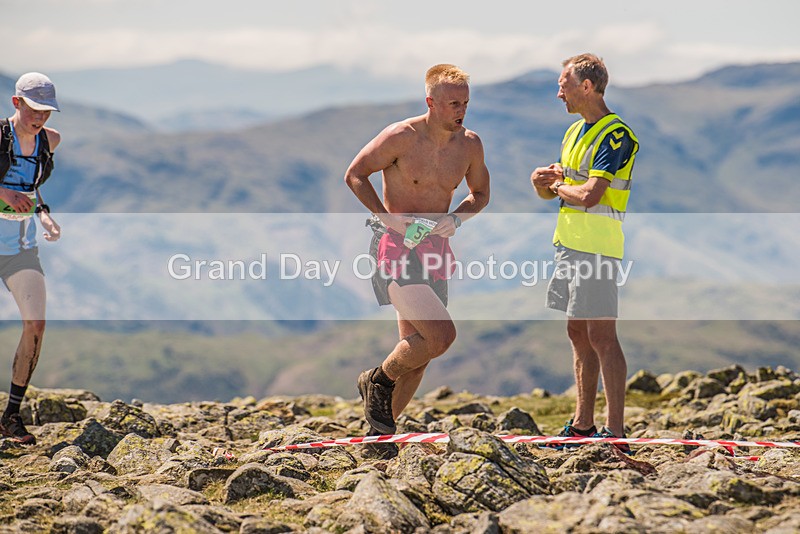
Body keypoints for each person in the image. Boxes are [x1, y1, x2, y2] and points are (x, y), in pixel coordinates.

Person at [345, 64, 490, 450]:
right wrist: (389, 220)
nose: (461, 111)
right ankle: (377, 378)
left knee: (418, 352)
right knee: (440, 336)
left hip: (435, 250)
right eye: (453, 104)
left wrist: (457, 218)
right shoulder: (401, 137)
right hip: (394, 248)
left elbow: (480, 194)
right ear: (431, 102)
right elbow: (355, 175)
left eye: (465, 103)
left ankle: (378, 438)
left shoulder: (470, 145)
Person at [530, 54, 639, 451]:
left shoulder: (615, 134)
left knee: (602, 335)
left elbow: (591, 195)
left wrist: (555, 187)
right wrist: (541, 181)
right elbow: (561, 187)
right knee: (577, 332)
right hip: (568, 244)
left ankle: (615, 432)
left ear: (587, 86)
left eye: (564, 84)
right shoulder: (574, 132)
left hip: (598, 247)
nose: (558, 92)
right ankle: (582, 426)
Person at [0, 72, 62, 445]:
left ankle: (10, 417)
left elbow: (33, 188)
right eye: (34, 109)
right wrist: (3, 192)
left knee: (35, 325)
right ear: (16, 103)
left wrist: (45, 214)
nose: (40, 118)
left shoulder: (49, 141)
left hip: (19, 249)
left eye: (47, 111)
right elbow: (12, 189)